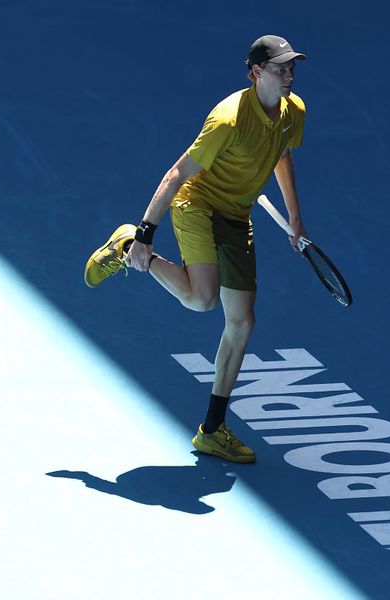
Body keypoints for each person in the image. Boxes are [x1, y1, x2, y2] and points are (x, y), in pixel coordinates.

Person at [83, 35, 309, 463]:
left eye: (292, 67)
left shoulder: (292, 111)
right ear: (256, 73)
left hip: (237, 215)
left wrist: (295, 218)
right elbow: (177, 172)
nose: (289, 75)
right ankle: (128, 244)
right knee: (202, 299)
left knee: (241, 323)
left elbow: (282, 157)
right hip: (197, 205)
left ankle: (212, 430)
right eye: (280, 68)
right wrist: (148, 230)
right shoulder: (227, 119)